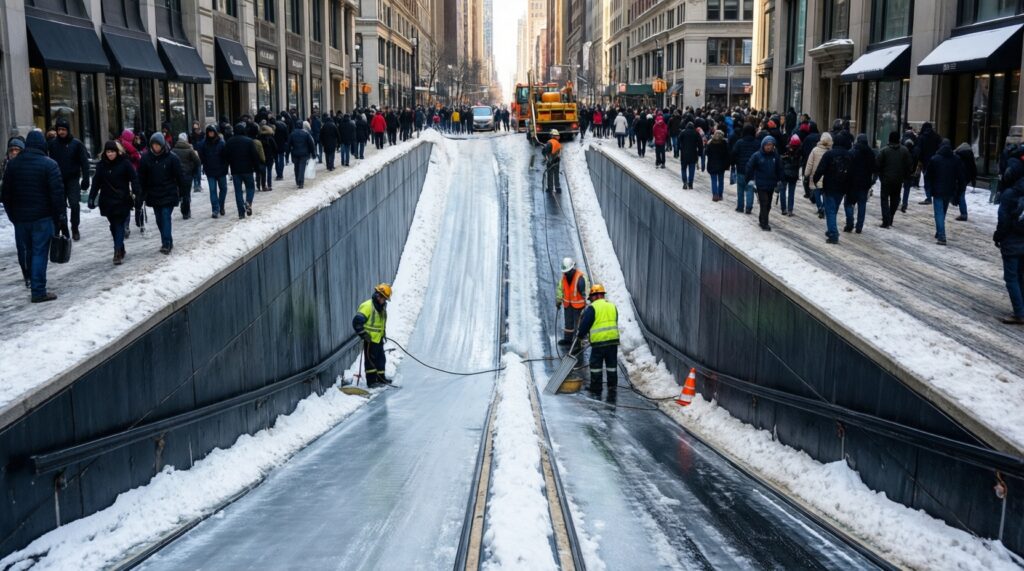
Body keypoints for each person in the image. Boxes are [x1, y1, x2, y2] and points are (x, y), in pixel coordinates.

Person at [2, 131, 66, 301]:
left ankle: (31, 281)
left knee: (29, 251)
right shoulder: (50, 165)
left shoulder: (13, 165)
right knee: (39, 252)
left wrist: (12, 215)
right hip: (42, 218)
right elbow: (57, 195)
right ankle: (38, 290)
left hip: (21, 219)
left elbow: (5, 194)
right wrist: (60, 218)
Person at [89, 140, 140, 264]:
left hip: (122, 200)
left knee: (118, 224)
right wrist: (91, 197)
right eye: (108, 152)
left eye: (112, 151)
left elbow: (134, 178)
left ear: (117, 152)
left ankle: (117, 252)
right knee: (113, 226)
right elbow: (96, 183)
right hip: (107, 201)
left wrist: (137, 191)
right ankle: (120, 247)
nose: (110, 154)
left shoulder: (125, 163)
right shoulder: (101, 166)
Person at [137, 133, 186, 254]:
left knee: (165, 216)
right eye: (154, 145)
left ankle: (166, 243)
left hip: (168, 192)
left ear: (163, 145)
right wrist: (140, 194)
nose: (156, 147)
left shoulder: (172, 158)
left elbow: (180, 176)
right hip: (154, 193)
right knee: (159, 219)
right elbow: (141, 177)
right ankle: (167, 238)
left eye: (158, 145)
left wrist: (183, 192)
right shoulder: (146, 158)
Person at [46, 117, 90, 241]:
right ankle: (63, 228)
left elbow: (84, 163)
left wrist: (85, 179)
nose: (61, 132)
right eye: (59, 129)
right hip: (57, 180)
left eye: (63, 129)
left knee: (74, 204)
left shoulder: (76, 144)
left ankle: (75, 227)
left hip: (73, 179)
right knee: (60, 206)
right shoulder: (52, 144)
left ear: (68, 130)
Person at [575, 284, 619, 401]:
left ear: (594, 296)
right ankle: (612, 386)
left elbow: (585, 325)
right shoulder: (612, 306)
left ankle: (596, 387)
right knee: (611, 365)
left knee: (596, 366)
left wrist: (580, 336)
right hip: (613, 342)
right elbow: (615, 321)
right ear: (602, 295)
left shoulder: (592, 308)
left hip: (599, 343)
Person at [813, 131, 854, 244]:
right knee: (834, 209)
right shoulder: (850, 155)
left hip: (830, 186)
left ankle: (833, 234)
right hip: (843, 187)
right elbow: (852, 173)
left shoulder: (829, 154)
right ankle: (831, 228)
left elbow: (821, 169)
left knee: (830, 210)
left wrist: (815, 180)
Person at [924, 139, 967, 245]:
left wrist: (928, 191)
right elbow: (961, 177)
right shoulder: (956, 159)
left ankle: (941, 235)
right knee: (943, 212)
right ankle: (940, 231)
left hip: (937, 190)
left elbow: (927, 176)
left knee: (939, 213)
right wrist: (959, 191)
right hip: (949, 190)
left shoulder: (935, 159)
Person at [994, 178, 1024, 324]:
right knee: (1021, 276)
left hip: (1012, 241)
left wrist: (998, 236)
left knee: (1012, 278)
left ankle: (1019, 313)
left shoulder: (1010, 194)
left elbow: (1003, 220)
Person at [353, 283, 392, 388]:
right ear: (378, 296)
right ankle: (371, 382)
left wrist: (383, 334)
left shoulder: (381, 307)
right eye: (384, 299)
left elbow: (380, 324)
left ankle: (381, 378)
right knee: (370, 362)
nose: (385, 301)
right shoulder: (367, 306)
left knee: (381, 359)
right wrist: (364, 335)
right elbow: (357, 322)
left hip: (378, 339)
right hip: (369, 340)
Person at [745, 136, 783, 231]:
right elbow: (749, 167)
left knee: (768, 205)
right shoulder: (757, 156)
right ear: (763, 145)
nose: (769, 147)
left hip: (771, 184)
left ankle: (762, 218)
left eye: (771, 145)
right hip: (761, 184)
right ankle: (765, 223)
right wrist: (748, 179)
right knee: (764, 202)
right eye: (767, 145)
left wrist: (781, 180)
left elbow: (780, 169)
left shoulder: (775, 156)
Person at [223, 122, 261, 218]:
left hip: (235, 170)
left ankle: (241, 212)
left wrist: (228, 166)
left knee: (238, 191)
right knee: (250, 188)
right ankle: (248, 202)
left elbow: (226, 156)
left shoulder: (230, 142)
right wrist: (257, 168)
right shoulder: (249, 141)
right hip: (248, 169)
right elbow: (254, 156)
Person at [876, 131, 913, 228]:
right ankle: (891, 216)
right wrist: (906, 176)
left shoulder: (884, 151)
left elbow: (877, 165)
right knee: (895, 199)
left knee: (884, 200)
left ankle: (886, 220)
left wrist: (880, 175)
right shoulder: (904, 151)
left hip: (886, 180)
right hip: (898, 180)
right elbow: (909, 165)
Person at [843, 134, 877, 234]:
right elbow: (875, 169)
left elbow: (847, 168)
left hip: (852, 183)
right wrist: (872, 180)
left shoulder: (852, 152)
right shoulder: (871, 153)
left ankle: (850, 223)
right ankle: (859, 227)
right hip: (864, 184)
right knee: (862, 205)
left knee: (848, 203)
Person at [556, 257, 589, 346]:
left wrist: (586, 297)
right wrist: (559, 300)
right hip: (568, 305)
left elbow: (586, 290)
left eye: (566, 272)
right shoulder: (564, 278)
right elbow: (560, 289)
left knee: (579, 325)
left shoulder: (580, 277)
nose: (565, 274)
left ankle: (578, 343)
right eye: (564, 272)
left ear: (571, 269)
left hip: (579, 306)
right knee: (568, 323)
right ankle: (568, 339)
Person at [197, 124, 228, 218]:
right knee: (212, 190)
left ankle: (221, 205)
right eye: (209, 132)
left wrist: (225, 166)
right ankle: (215, 209)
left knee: (223, 189)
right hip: (210, 171)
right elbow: (201, 156)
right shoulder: (203, 144)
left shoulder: (221, 143)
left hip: (221, 170)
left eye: (212, 131)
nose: (211, 133)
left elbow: (226, 156)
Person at [170, 133, 200, 220]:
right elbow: (197, 162)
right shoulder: (190, 150)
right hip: (187, 175)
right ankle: (186, 212)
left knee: (181, 192)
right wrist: (193, 170)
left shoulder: (173, 151)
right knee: (186, 194)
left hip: (177, 176)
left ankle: (183, 205)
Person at [731, 124, 760, 213]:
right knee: (750, 188)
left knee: (740, 188)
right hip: (752, 171)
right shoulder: (757, 143)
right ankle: (748, 207)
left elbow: (734, 154)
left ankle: (740, 206)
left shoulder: (739, 142)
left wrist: (734, 164)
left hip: (740, 168)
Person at [804, 131, 832, 219]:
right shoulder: (830, 151)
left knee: (816, 191)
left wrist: (806, 174)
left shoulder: (815, 150)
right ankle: (823, 207)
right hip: (826, 176)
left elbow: (810, 163)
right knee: (825, 193)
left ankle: (819, 207)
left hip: (815, 175)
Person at [288, 121, 317, 189]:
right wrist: (313, 153)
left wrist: (287, 153)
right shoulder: (306, 134)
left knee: (296, 167)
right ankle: (300, 181)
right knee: (302, 167)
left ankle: (297, 181)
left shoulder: (292, 134)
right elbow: (311, 144)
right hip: (304, 153)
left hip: (295, 153)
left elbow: (289, 144)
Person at [779, 134, 802, 216]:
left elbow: (781, 161)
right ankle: (790, 210)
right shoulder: (799, 153)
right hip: (794, 175)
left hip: (784, 173)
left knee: (782, 190)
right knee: (791, 193)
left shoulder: (786, 150)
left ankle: (783, 209)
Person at [954, 142, 977, 222]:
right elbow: (974, 170)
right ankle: (963, 213)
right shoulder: (970, 157)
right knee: (961, 194)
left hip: (960, 178)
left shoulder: (958, 155)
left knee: (960, 195)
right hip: (966, 179)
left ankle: (964, 214)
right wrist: (973, 181)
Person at [705, 130, 730, 202]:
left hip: (712, 164)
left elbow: (707, 153)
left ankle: (715, 194)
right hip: (721, 165)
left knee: (714, 180)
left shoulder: (711, 143)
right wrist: (727, 164)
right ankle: (720, 195)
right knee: (721, 180)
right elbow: (727, 155)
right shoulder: (724, 143)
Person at [679, 122, 703, 189]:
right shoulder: (696, 133)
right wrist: (700, 153)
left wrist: (680, 148)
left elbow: (679, 141)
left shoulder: (683, 132)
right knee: (691, 170)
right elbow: (700, 144)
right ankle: (690, 183)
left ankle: (685, 182)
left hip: (684, 154)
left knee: (683, 169)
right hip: (693, 154)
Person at [257, 122, 278, 191]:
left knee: (261, 172)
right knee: (269, 171)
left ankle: (261, 185)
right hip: (269, 156)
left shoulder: (258, 137)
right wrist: (274, 155)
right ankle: (269, 185)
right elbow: (275, 148)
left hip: (260, 157)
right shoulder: (270, 138)